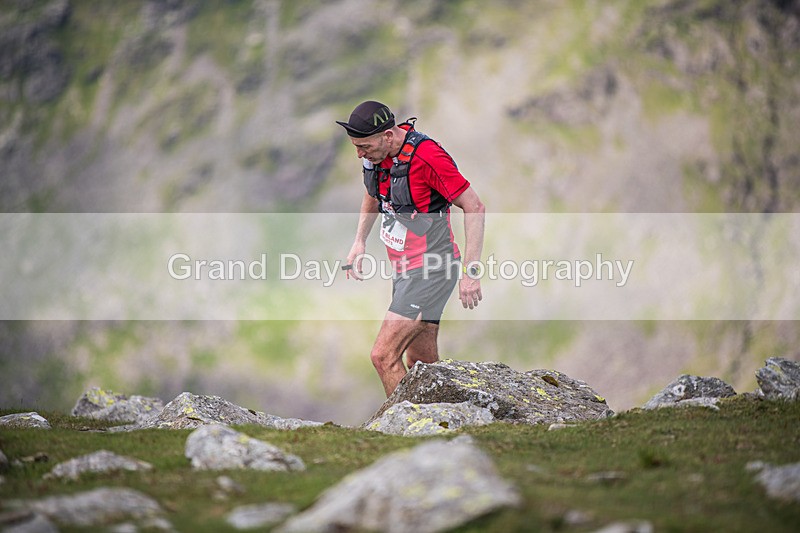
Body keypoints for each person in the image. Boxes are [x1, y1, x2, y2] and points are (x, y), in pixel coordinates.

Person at [337, 100, 486, 396]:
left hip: (431, 269)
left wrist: (470, 273)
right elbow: (373, 193)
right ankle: (446, 424)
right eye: (356, 146)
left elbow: (475, 206)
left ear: (388, 136)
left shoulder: (428, 158)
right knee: (420, 361)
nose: (359, 154)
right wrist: (359, 241)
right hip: (406, 270)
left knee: (383, 356)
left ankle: (408, 429)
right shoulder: (376, 155)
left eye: (364, 147)